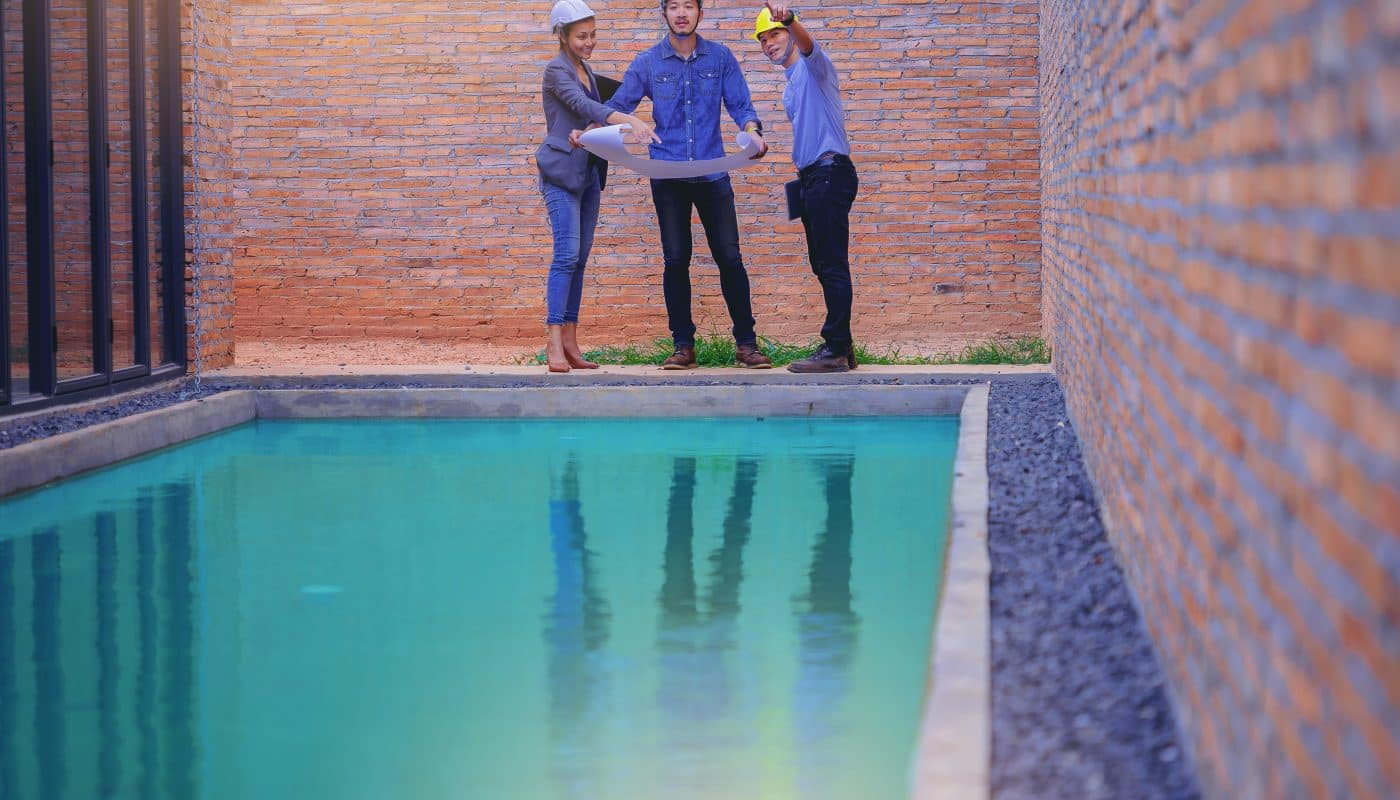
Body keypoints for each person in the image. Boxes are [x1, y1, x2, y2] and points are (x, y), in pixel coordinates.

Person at [605, 0, 774, 370]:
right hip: (668, 176)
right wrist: (590, 132)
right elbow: (617, 105)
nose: (682, 13)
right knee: (676, 260)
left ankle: (746, 344)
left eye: (689, 6)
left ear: (700, 12)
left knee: (729, 258)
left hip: (713, 173)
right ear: (664, 12)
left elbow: (742, 107)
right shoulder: (647, 62)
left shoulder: (721, 58)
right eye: (674, 6)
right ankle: (683, 346)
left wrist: (753, 133)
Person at [536, 0, 658, 373]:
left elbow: (592, 116)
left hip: (588, 172)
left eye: (593, 35)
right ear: (562, 35)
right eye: (581, 36)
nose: (589, 42)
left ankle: (572, 341)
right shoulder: (556, 71)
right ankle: (553, 340)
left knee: (581, 259)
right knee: (566, 256)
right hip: (560, 172)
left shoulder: (585, 68)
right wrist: (627, 119)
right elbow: (583, 106)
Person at [752, 1, 859, 373]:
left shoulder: (816, 69)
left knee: (831, 263)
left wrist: (790, 19)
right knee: (822, 263)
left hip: (830, 172)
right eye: (763, 39)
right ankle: (843, 345)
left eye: (775, 35)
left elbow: (810, 45)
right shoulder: (789, 87)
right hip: (811, 178)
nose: (769, 44)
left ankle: (835, 348)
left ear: (789, 35)